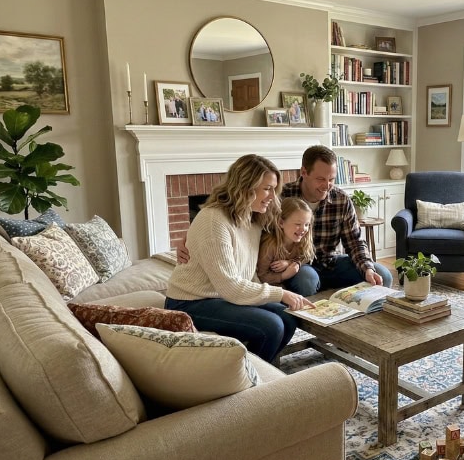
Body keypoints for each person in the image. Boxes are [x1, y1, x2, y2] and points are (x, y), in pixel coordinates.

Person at [164, 154, 313, 363]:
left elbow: (295, 226)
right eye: (267, 188)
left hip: (222, 297)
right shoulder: (214, 220)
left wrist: (292, 263)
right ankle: (246, 375)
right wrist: (281, 294)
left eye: (274, 189)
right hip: (190, 301)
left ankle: (263, 368)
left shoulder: (254, 216)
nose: (273, 196)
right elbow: (230, 287)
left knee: (288, 317)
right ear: (245, 187)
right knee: (271, 326)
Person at [281, 145, 393, 296]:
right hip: (300, 265)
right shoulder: (283, 197)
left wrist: (368, 268)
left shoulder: (341, 199)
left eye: (331, 179)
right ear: (304, 172)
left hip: (332, 263)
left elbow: (355, 242)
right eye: (320, 179)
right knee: (306, 281)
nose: (326, 186)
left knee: (383, 275)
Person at [256, 197, 315, 285]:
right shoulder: (269, 246)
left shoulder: (303, 240)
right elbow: (261, 276)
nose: (304, 229)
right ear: (281, 223)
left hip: (294, 277)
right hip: (274, 281)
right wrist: (283, 276)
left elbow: (307, 257)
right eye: (298, 224)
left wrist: (289, 263)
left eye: (306, 224)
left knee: (308, 278)